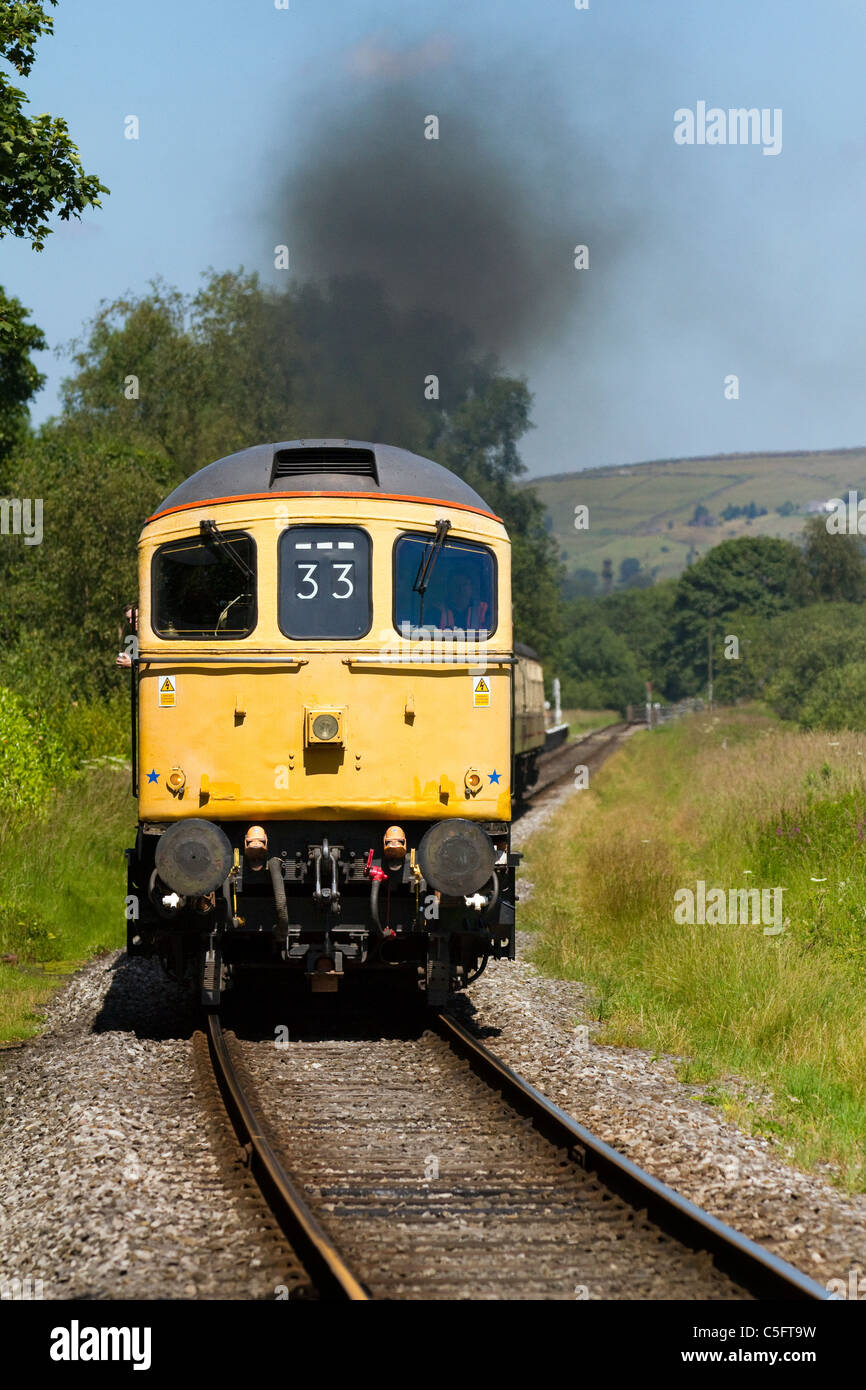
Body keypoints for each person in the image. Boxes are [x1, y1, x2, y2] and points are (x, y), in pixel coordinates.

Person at [438, 566, 488, 631]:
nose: (461, 589)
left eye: (464, 585)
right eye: (456, 585)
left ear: (471, 588)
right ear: (449, 588)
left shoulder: (483, 609)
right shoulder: (436, 611)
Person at [116, 602, 138, 668]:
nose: (130, 622)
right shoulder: (138, 636)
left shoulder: (154, 635)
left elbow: (156, 661)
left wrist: (133, 664)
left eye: (134, 618)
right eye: (128, 619)